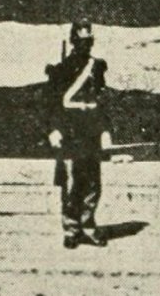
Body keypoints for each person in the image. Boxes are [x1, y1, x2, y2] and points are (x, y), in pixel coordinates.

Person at [46, 18, 112, 248]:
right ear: (74, 41)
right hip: (71, 130)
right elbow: (54, 103)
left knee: (93, 181)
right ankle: (72, 228)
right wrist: (54, 129)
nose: (86, 45)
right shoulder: (61, 69)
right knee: (72, 182)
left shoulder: (97, 66)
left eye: (89, 40)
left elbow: (101, 101)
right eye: (82, 40)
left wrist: (105, 131)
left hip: (91, 130)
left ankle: (89, 225)